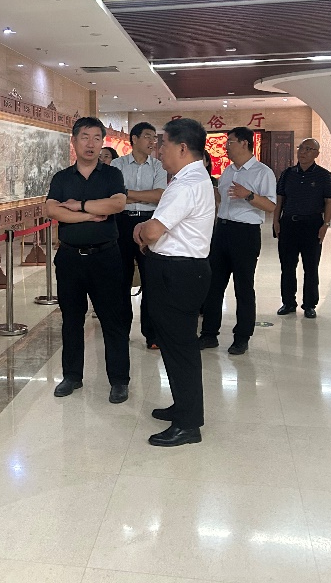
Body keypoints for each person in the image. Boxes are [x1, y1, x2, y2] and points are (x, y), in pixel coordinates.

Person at [133, 118, 215, 446]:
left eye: (163, 144)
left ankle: (188, 424)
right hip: (181, 270)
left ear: (182, 148)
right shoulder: (192, 178)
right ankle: (183, 406)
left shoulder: (185, 184)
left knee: (181, 349)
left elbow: (153, 231)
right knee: (174, 345)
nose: (158, 150)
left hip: (178, 273)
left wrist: (140, 230)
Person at [46, 117, 130, 402]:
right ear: (74, 141)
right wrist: (90, 215)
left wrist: (78, 206)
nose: (91, 144)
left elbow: (117, 204)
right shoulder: (61, 178)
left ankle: (119, 380)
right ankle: (72, 376)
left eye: (97, 138)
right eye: (85, 137)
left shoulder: (111, 175)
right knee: (71, 319)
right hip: (70, 257)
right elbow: (52, 210)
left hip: (105, 257)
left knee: (112, 319)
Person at [199, 127, 277, 354]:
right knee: (214, 285)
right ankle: (209, 334)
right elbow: (222, 200)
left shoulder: (262, 172)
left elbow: (271, 206)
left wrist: (249, 195)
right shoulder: (228, 171)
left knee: (243, 287)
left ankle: (242, 337)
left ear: (244, 143)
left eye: (230, 142)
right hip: (222, 230)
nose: (226, 147)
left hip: (245, 233)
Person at [111, 122, 168, 350]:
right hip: (121, 222)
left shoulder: (158, 166)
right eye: (147, 136)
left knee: (150, 279)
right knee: (121, 280)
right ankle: (121, 331)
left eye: (154, 137)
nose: (152, 141)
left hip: (149, 223)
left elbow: (159, 196)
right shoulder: (117, 165)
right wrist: (140, 195)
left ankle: (152, 334)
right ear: (134, 139)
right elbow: (115, 196)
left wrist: (128, 194)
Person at [273, 138, 331, 318]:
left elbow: (329, 202)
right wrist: (276, 221)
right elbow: (280, 200)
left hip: (312, 225)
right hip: (289, 224)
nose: (303, 152)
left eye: (308, 149)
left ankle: (309, 304)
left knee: (311, 266)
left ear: (316, 154)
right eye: (301, 148)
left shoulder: (324, 175)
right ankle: (288, 302)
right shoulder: (287, 174)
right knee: (287, 266)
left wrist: (326, 224)